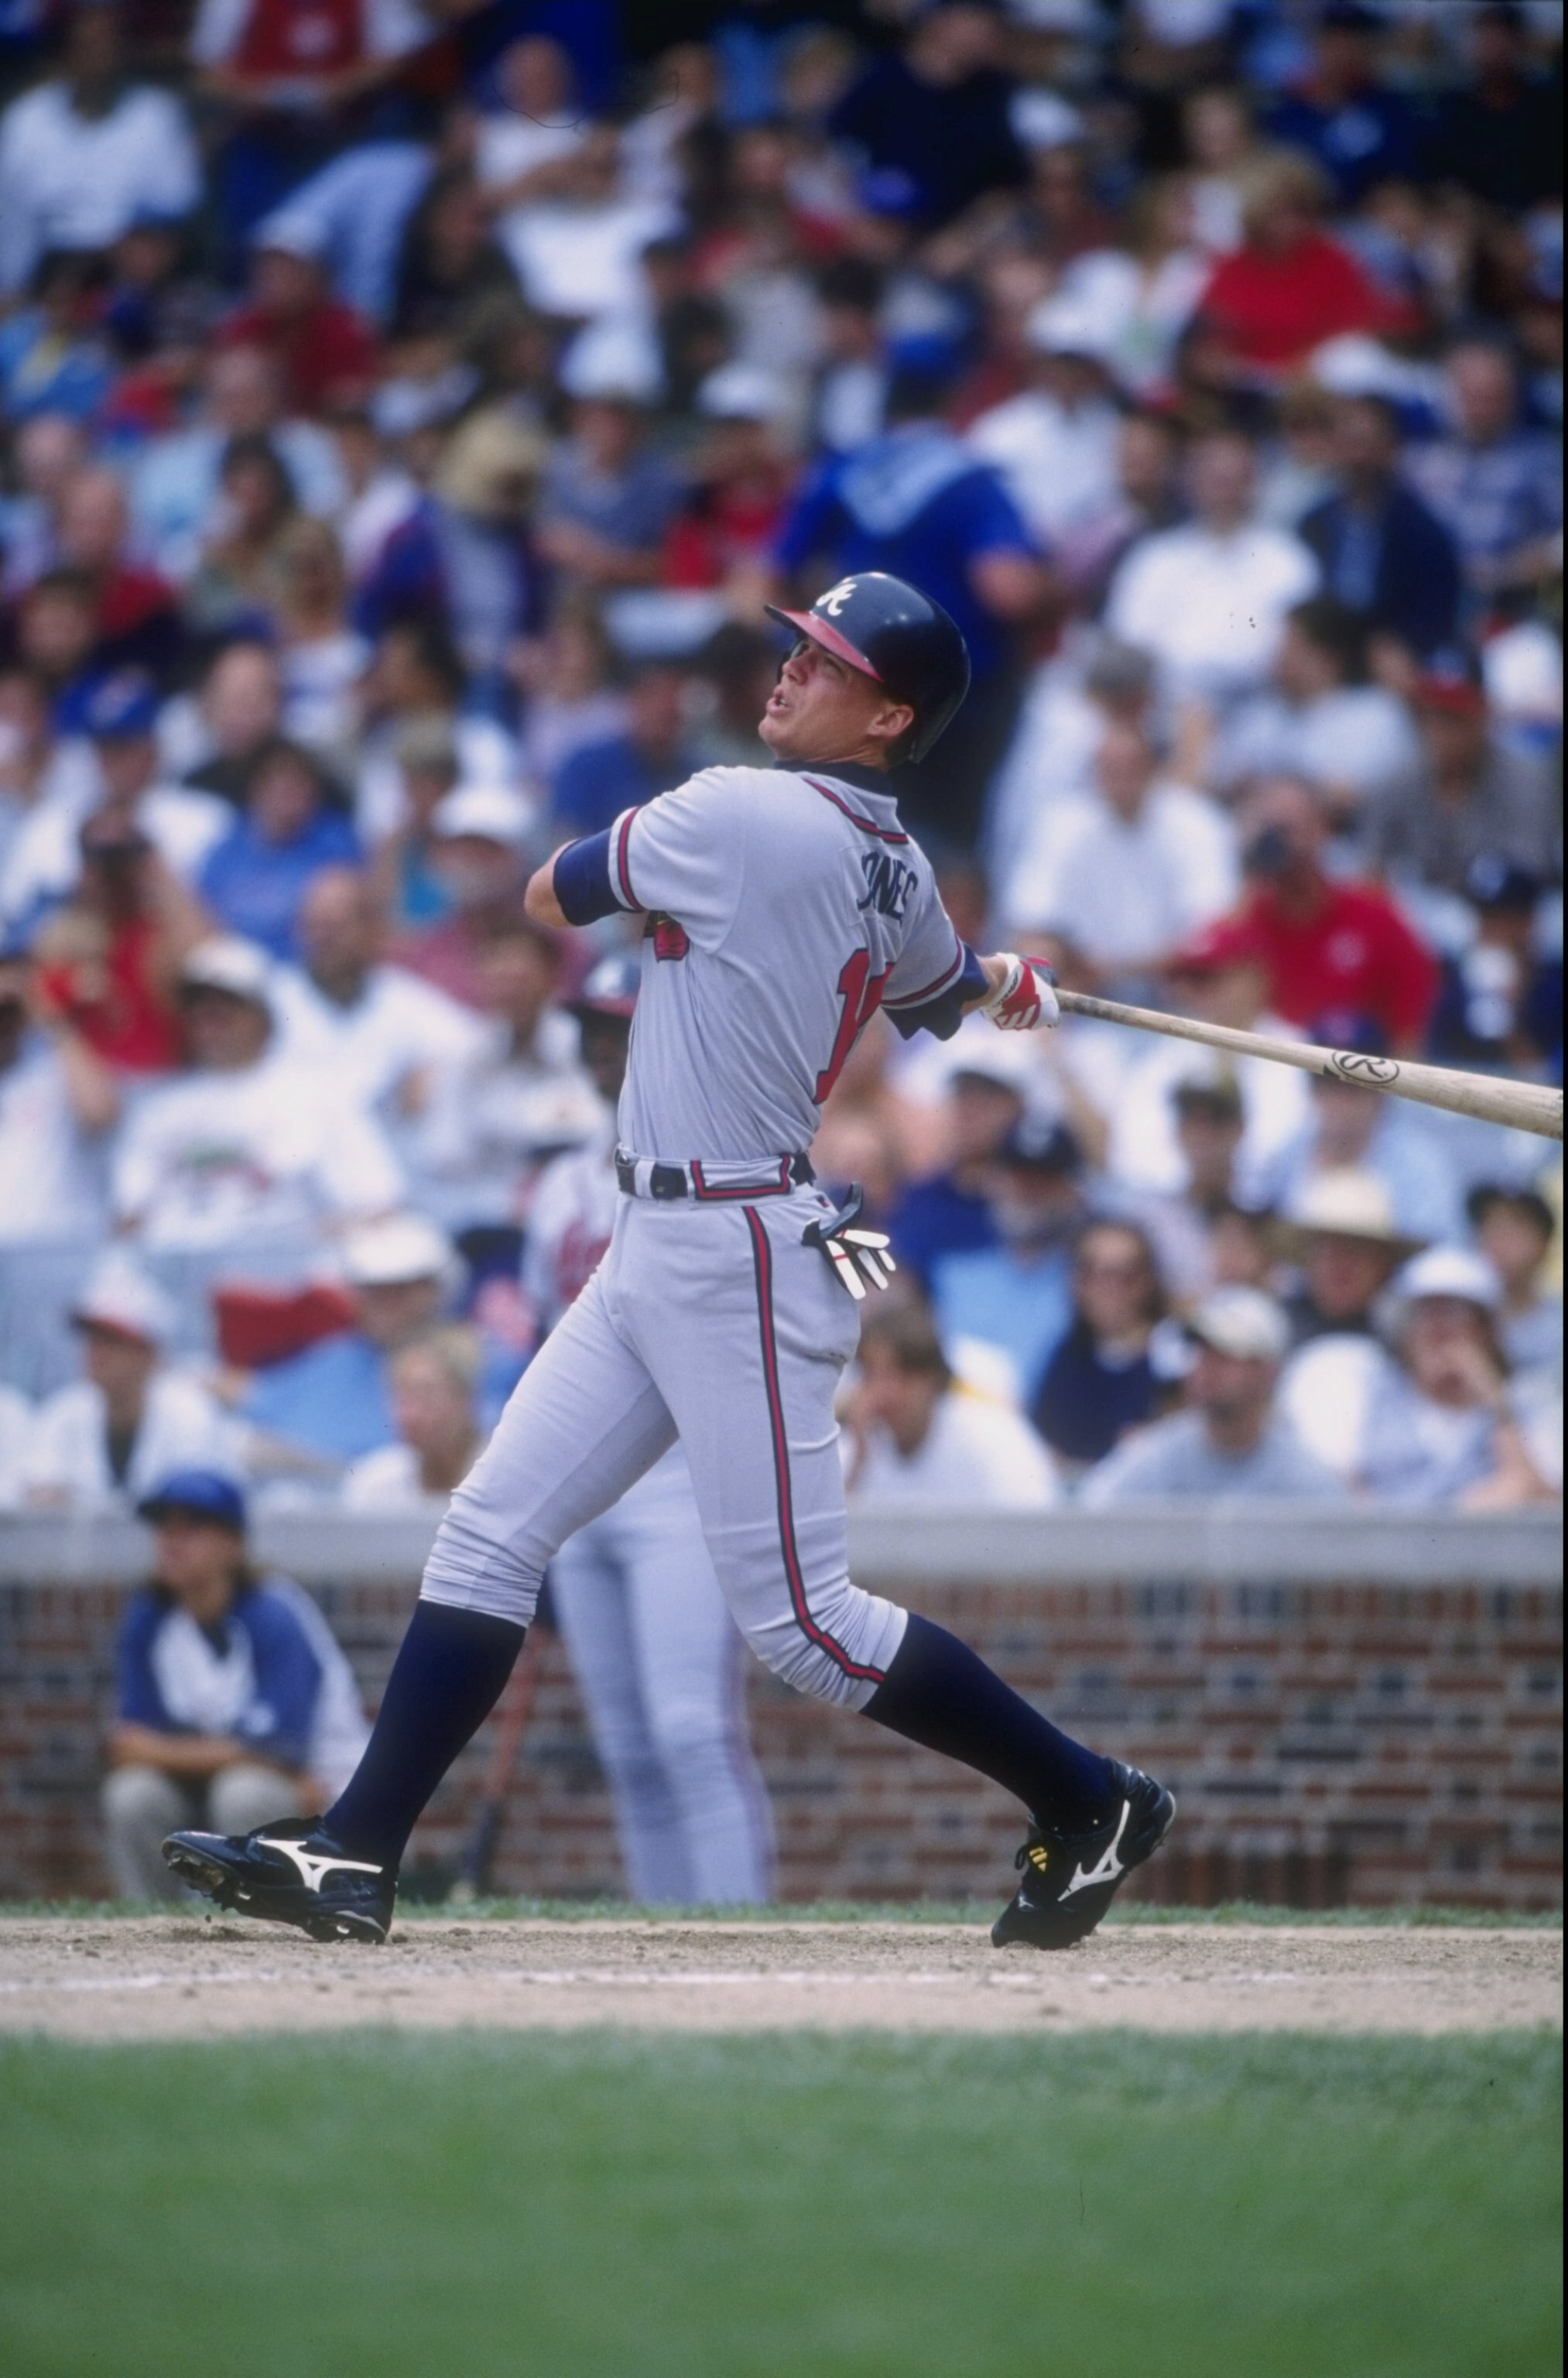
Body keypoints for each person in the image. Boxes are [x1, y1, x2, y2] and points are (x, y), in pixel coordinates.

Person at [165, 569, 1176, 1956]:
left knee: (803, 1630)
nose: (785, 673)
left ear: (887, 717)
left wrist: (939, 975)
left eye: (821, 664)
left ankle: (1087, 1794)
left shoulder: (735, 807)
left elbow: (543, 891)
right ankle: (355, 1849)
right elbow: (942, 992)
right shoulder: (904, 864)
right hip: (663, 1232)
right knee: (490, 1526)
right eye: (796, 650)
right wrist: (1007, 983)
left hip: (741, 1244)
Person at [521, 950, 775, 1905]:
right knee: (626, 1745)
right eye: (591, 1028)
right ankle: (666, 1954)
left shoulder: (725, 1158)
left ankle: (738, 1947)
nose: (601, 1047)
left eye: (619, 1026)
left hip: (680, 1470)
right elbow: (542, 1340)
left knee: (690, 1731)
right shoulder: (556, 1189)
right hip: (585, 1484)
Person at [772, 355, 1047, 848]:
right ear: (951, 401)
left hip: (846, 687)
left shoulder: (845, 469)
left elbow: (769, 574)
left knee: (845, 835)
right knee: (938, 848)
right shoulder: (971, 482)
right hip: (953, 708)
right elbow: (1009, 592)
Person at [104, 1468, 368, 1900]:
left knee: (244, 1792)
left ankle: (253, 1925)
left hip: (321, 1799)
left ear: (233, 1544)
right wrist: (233, 1752)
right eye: (163, 1527)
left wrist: (164, 1750)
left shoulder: (275, 1612)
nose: (171, 1540)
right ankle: (156, 1927)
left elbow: (279, 1751)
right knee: (133, 1794)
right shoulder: (150, 1615)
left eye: (191, 1527)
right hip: (218, 1784)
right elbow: (127, 1745)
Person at [112, 934, 402, 1259]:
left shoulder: (320, 1095)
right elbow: (129, 1218)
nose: (210, 1022)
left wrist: (298, 1243)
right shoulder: (158, 1108)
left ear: (262, 1015)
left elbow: (379, 1205)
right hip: (181, 1276)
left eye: (225, 1009)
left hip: (291, 1279)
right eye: (199, 1010)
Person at [1009, 721, 1238, 996]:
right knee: (1033, 956)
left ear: (1154, 768)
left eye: (1131, 767)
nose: (1120, 778)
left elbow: (1215, 923)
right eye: (1110, 768)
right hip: (1080, 990)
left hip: (1178, 993)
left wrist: (1131, 968)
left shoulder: (1197, 821)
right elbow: (1032, 918)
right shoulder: (1062, 824)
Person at [1104, 428, 1319, 714]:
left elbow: (1301, 653)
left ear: (1256, 483)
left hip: (1260, 705)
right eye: (1215, 479)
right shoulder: (1155, 557)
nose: (1224, 490)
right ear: (1191, 482)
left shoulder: (1288, 559)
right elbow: (1127, 645)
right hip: (1163, 707)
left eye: (1235, 479)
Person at [1082, 1287, 1344, 1506]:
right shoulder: (1158, 1455)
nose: (1207, 1367)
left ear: (1267, 1372)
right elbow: (1088, 1516)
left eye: (1226, 1354)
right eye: (1202, 1351)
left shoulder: (1303, 1474)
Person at [1233, 776, 1438, 1054]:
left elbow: (1410, 1031)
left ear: (1322, 830)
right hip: (1265, 1079)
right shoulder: (1245, 918)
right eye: (1268, 832)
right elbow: (1189, 979)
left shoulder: (1374, 916)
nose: (1277, 845)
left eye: (1288, 831)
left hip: (1352, 1083)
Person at [241, 1210, 458, 1470]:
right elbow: (257, 1397)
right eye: (372, 1290)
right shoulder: (335, 1357)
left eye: (398, 1289)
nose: (384, 1303)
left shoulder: (475, 1358)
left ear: (433, 1291)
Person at [24, 1256, 241, 1509]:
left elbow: (196, 1515)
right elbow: (37, 1495)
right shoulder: (63, 1414)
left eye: (111, 1341)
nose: (96, 1353)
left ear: (150, 1353)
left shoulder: (190, 1417)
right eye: (91, 1339)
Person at [269, 867, 483, 1121]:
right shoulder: (271, 1002)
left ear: (371, 930)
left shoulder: (400, 997)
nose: (323, 940)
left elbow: (475, 1047)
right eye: (315, 926)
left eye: (336, 928)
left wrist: (440, 1077)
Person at [1357, 1247, 1555, 1507]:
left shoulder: (1530, 1402)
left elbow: (1544, 1502)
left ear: (1487, 1331)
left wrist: (1497, 1404)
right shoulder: (1368, 1390)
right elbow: (1347, 1497)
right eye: (1424, 1313)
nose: (1437, 1329)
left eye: (1453, 1312)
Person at [1362, 653, 1559, 898]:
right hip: (1419, 911)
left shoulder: (1526, 778)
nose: (1439, 732)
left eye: (1453, 718)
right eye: (1431, 716)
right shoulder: (1396, 781)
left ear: (1482, 716)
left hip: (1504, 913)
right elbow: (1372, 867)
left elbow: (1530, 867)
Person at [929, 1115, 1086, 1409]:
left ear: (1072, 1190)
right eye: (1018, 1175)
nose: (1028, 1191)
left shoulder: (1088, 1283)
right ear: (994, 1181)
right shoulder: (952, 1274)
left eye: (1044, 1179)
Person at [844, 1299, 1059, 1510]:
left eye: (903, 1376)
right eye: (872, 1375)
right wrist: (859, 1463)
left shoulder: (993, 1438)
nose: (886, 1393)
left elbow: (1037, 1529)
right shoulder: (858, 1441)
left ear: (933, 1379)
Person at [1297, 396, 1462, 660]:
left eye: (1368, 444)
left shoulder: (1421, 531)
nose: (1358, 457)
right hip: (1324, 657)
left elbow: (1434, 614)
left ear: (1392, 449)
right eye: (1348, 444)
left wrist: (1399, 650)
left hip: (1393, 656)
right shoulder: (1313, 524)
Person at [197, 736, 361, 961]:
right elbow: (204, 917)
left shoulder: (336, 843)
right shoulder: (227, 849)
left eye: (299, 784)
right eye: (278, 784)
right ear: (255, 789)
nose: (289, 794)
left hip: (305, 970)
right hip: (237, 971)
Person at [1032, 1219, 1166, 1477]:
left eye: (1125, 1276)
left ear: (1148, 1282)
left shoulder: (1173, 1359)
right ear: (1077, 1283)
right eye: (1094, 1274)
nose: (1110, 1289)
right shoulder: (1064, 1357)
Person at [340, 1327, 485, 1513]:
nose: (410, 1415)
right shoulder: (373, 1485)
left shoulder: (504, 1481)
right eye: (402, 1397)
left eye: (427, 1395)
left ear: (465, 1398)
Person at [1468, 1185, 1562, 1375]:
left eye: (1510, 1227)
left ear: (1543, 1243)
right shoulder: (1460, 1322)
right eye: (1488, 1225)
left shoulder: (1557, 1324)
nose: (1495, 1238)